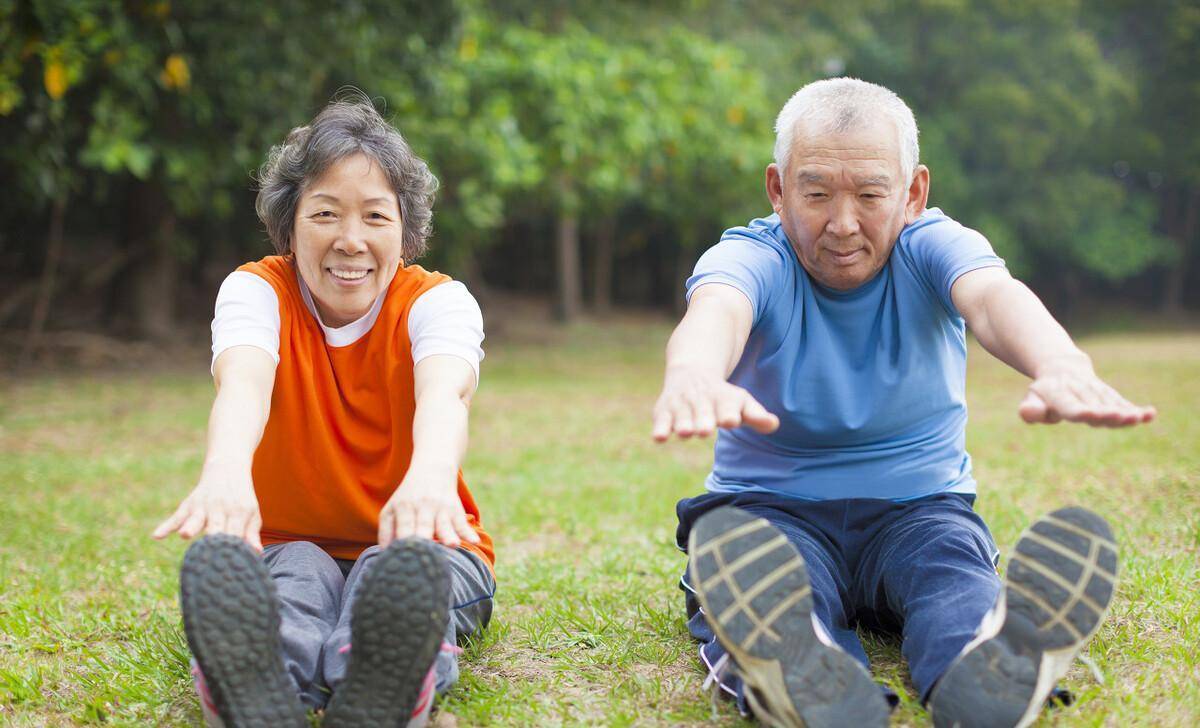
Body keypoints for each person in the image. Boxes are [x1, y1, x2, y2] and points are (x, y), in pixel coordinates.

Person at [652, 77, 1154, 728]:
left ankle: (990, 659)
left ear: (913, 193)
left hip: (920, 511)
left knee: (952, 579)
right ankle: (798, 668)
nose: (842, 223)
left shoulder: (933, 247)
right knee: (774, 587)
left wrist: (1059, 362)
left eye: (868, 195)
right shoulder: (755, 256)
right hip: (773, 515)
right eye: (816, 194)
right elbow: (718, 307)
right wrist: (693, 371)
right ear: (777, 190)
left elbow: (993, 299)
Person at [152, 93, 495, 728]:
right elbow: (244, 385)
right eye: (326, 213)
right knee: (298, 579)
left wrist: (429, 477)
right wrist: (225, 470)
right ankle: (255, 694)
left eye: (375, 216)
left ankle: (391, 685)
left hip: (423, 545)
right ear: (290, 224)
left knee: (395, 574)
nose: (350, 240)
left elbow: (444, 393)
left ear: (405, 229)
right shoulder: (256, 291)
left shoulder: (439, 302)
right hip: (290, 541)